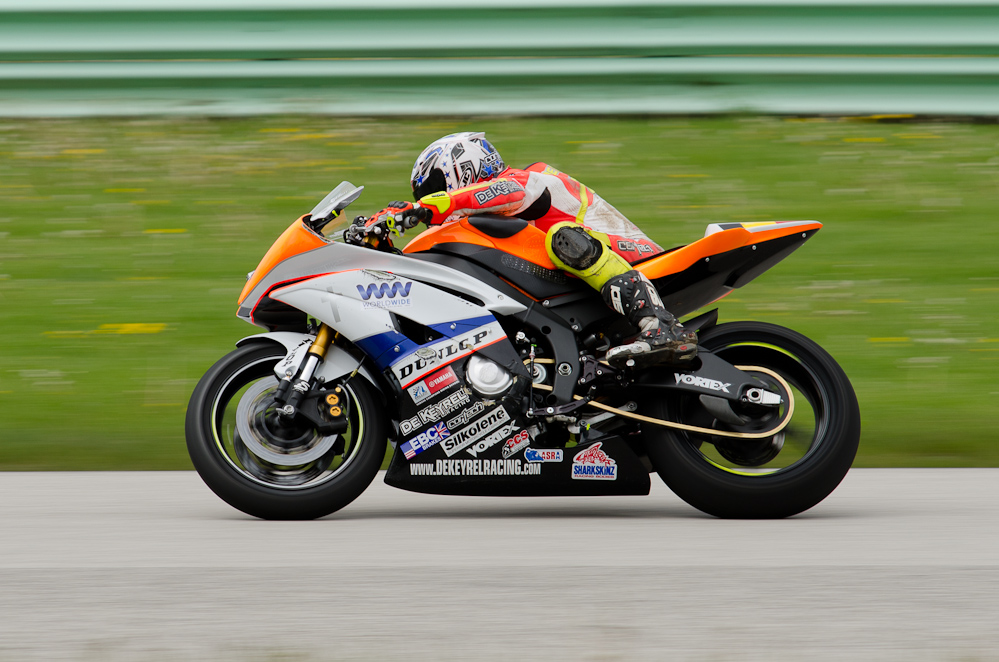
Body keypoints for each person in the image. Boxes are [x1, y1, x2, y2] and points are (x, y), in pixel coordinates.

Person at [350, 131, 696, 366]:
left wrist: (424, 208)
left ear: (461, 167)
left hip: (632, 255)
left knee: (563, 237)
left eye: (434, 186)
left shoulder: (525, 179)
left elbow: (501, 194)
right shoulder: (490, 219)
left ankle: (661, 324)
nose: (429, 196)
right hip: (580, 283)